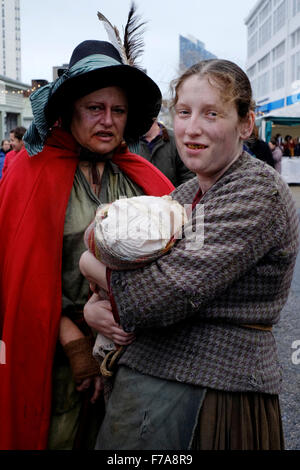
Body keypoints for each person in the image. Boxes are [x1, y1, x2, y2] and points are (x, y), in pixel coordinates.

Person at [81, 59, 299, 450]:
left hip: (212, 395)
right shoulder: (185, 195)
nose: (192, 128)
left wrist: (92, 269)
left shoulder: (255, 192)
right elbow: (101, 233)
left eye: (211, 113)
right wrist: (93, 293)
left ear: (246, 124)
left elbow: (155, 298)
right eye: (183, 112)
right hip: (155, 389)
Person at [0, 6, 174, 450]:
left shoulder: (142, 177)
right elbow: (15, 277)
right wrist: (74, 341)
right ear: (68, 111)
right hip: (53, 357)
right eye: (94, 107)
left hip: (131, 351)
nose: (108, 120)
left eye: (118, 109)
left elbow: (176, 265)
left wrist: (110, 332)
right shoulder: (28, 173)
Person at [138, 119, 195, 186]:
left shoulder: (175, 140)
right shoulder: (129, 143)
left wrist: (177, 195)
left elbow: (188, 176)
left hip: (172, 195)